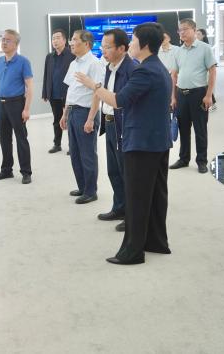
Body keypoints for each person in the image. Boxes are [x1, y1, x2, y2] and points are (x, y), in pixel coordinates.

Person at [76, 22, 172, 265]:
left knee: (137, 197)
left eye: (134, 40)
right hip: (156, 141)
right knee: (155, 195)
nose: (131, 44)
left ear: (145, 44)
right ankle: (155, 241)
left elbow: (118, 101)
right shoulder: (157, 67)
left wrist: (93, 85)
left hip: (142, 143)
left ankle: (133, 251)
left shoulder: (144, 71)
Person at [95, 29, 136, 232]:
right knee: (113, 171)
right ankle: (119, 208)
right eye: (102, 46)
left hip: (123, 126)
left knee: (126, 172)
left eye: (107, 47)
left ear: (121, 48)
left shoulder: (131, 69)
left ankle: (131, 216)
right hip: (110, 123)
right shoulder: (109, 67)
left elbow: (125, 101)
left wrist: (92, 86)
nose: (103, 50)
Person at [60, 30, 105, 204]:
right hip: (73, 111)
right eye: (71, 39)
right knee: (75, 153)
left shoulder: (95, 64)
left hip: (86, 112)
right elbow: (71, 90)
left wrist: (91, 118)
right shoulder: (74, 63)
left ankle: (91, 191)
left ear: (86, 44)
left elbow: (97, 92)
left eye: (74, 39)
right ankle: (82, 186)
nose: (71, 43)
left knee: (87, 154)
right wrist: (65, 113)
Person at [169, 18, 217, 174]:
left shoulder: (204, 48)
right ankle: (183, 159)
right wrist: (173, 97)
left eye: (185, 29)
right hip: (181, 94)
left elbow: (212, 71)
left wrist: (208, 95)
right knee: (183, 129)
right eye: (180, 30)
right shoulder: (178, 51)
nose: (181, 32)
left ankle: (202, 161)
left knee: (200, 129)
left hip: (199, 94)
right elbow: (174, 75)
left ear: (194, 30)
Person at [0, 29, 34, 185]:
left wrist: (26, 109)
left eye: (7, 40)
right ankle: (6, 170)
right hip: (1, 104)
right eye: (2, 39)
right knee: (4, 139)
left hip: (17, 104)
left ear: (16, 44)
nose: (4, 42)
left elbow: (30, 87)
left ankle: (26, 172)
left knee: (21, 138)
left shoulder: (23, 62)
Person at [42, 29, 75, 153]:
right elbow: (46, 75)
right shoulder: (49, 57)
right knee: (57, 120)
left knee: (70, 120)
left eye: (57, 38)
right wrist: (45, 92)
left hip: (68, 94)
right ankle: (57, 144)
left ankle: (72, 146)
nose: (55, 41)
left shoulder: (72, 55)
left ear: (64, 40)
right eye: (53, 38)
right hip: (54, 94)